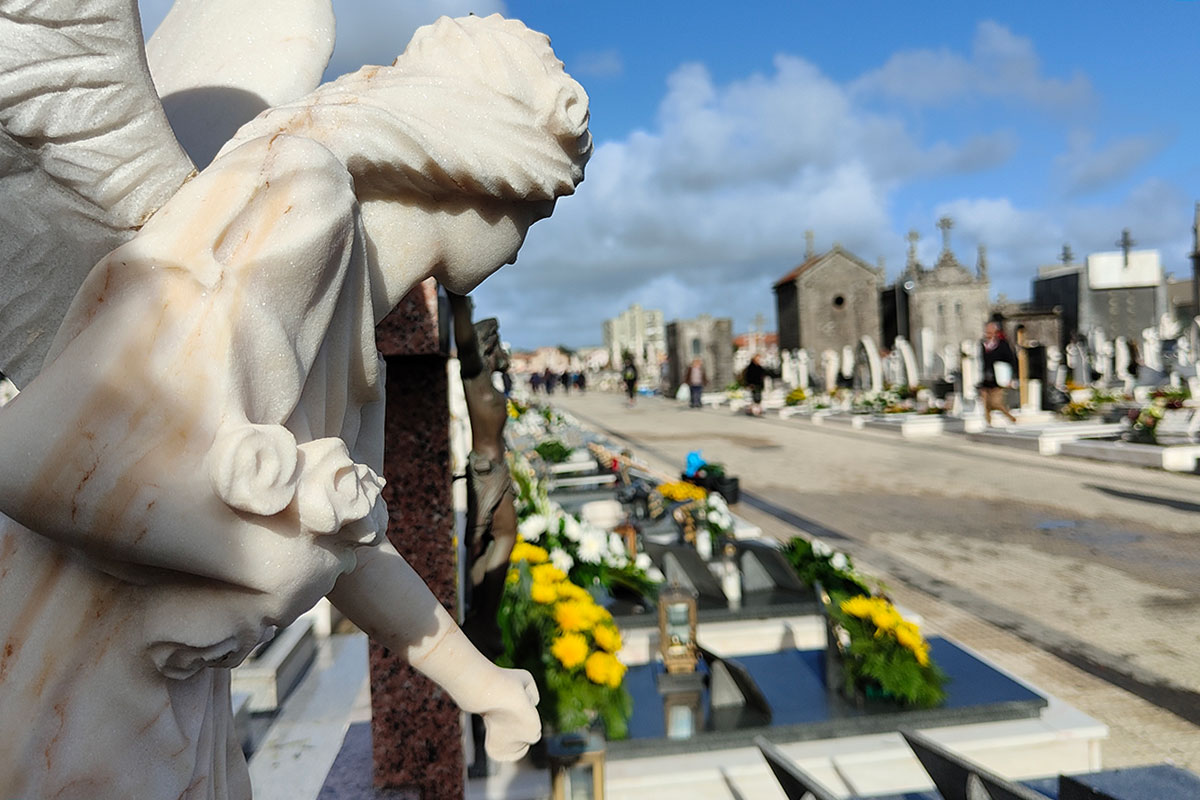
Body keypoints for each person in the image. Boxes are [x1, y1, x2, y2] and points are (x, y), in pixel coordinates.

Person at [0, 14, 589, 797]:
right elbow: (35, 457)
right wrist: (269, 558)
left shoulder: (358, 346)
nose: (524, 238)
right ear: (486, 158)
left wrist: (480, 681)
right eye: (538, 204)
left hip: (169, 712)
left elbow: (351, 553)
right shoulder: (300, 197)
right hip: (68, 699)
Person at [980, 320, 1018, 425]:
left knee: (995, 403)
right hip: (984, 379)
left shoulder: (1002, 345)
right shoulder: (982, 345)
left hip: (997, 379)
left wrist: (1011, 377)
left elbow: (1011, 361)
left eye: (990, 332)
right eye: (986, 332)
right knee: (985, 404)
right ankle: (988, 424)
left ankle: (1011, 417)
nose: (987, 334)